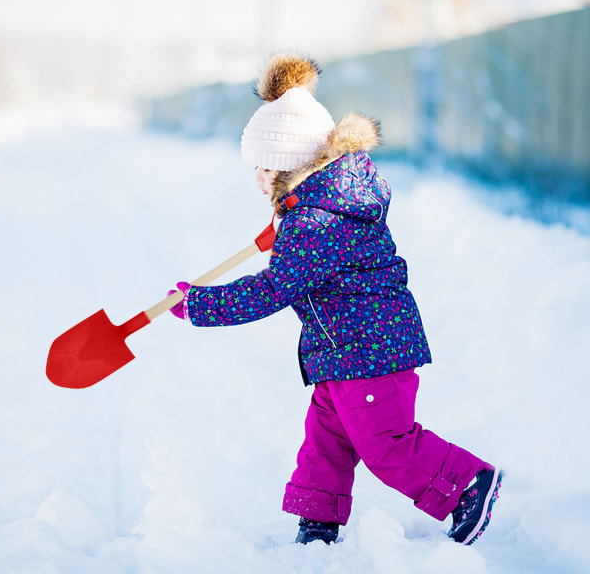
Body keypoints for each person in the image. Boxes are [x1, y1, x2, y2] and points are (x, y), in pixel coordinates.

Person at [168, 53, 502, 546]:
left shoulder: (318, 221)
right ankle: (318, 520)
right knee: (326, 439)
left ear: (294, 165)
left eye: (265, 168)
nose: (259, 180)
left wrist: (203, 305)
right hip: (343, 351)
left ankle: (467, 486)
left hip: (370, 350)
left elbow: (274, 288)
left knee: (386, 446)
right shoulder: (317, 209)